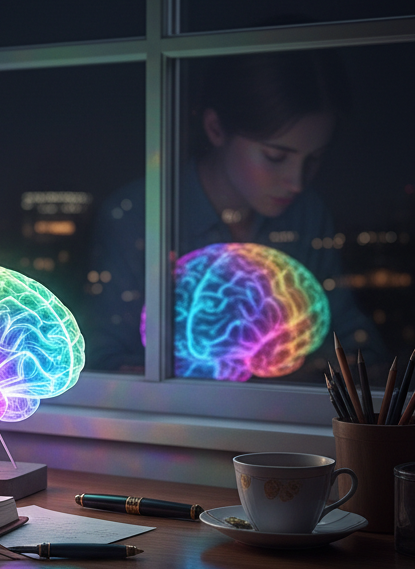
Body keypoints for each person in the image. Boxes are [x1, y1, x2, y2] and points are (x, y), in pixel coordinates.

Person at [87, 49, 384, 376]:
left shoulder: (308, 215)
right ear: (215, 129)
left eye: (314, 159)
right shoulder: (138, 216)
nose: (297, 182)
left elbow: (353, 338)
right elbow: (104, 361)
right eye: (275, 156)